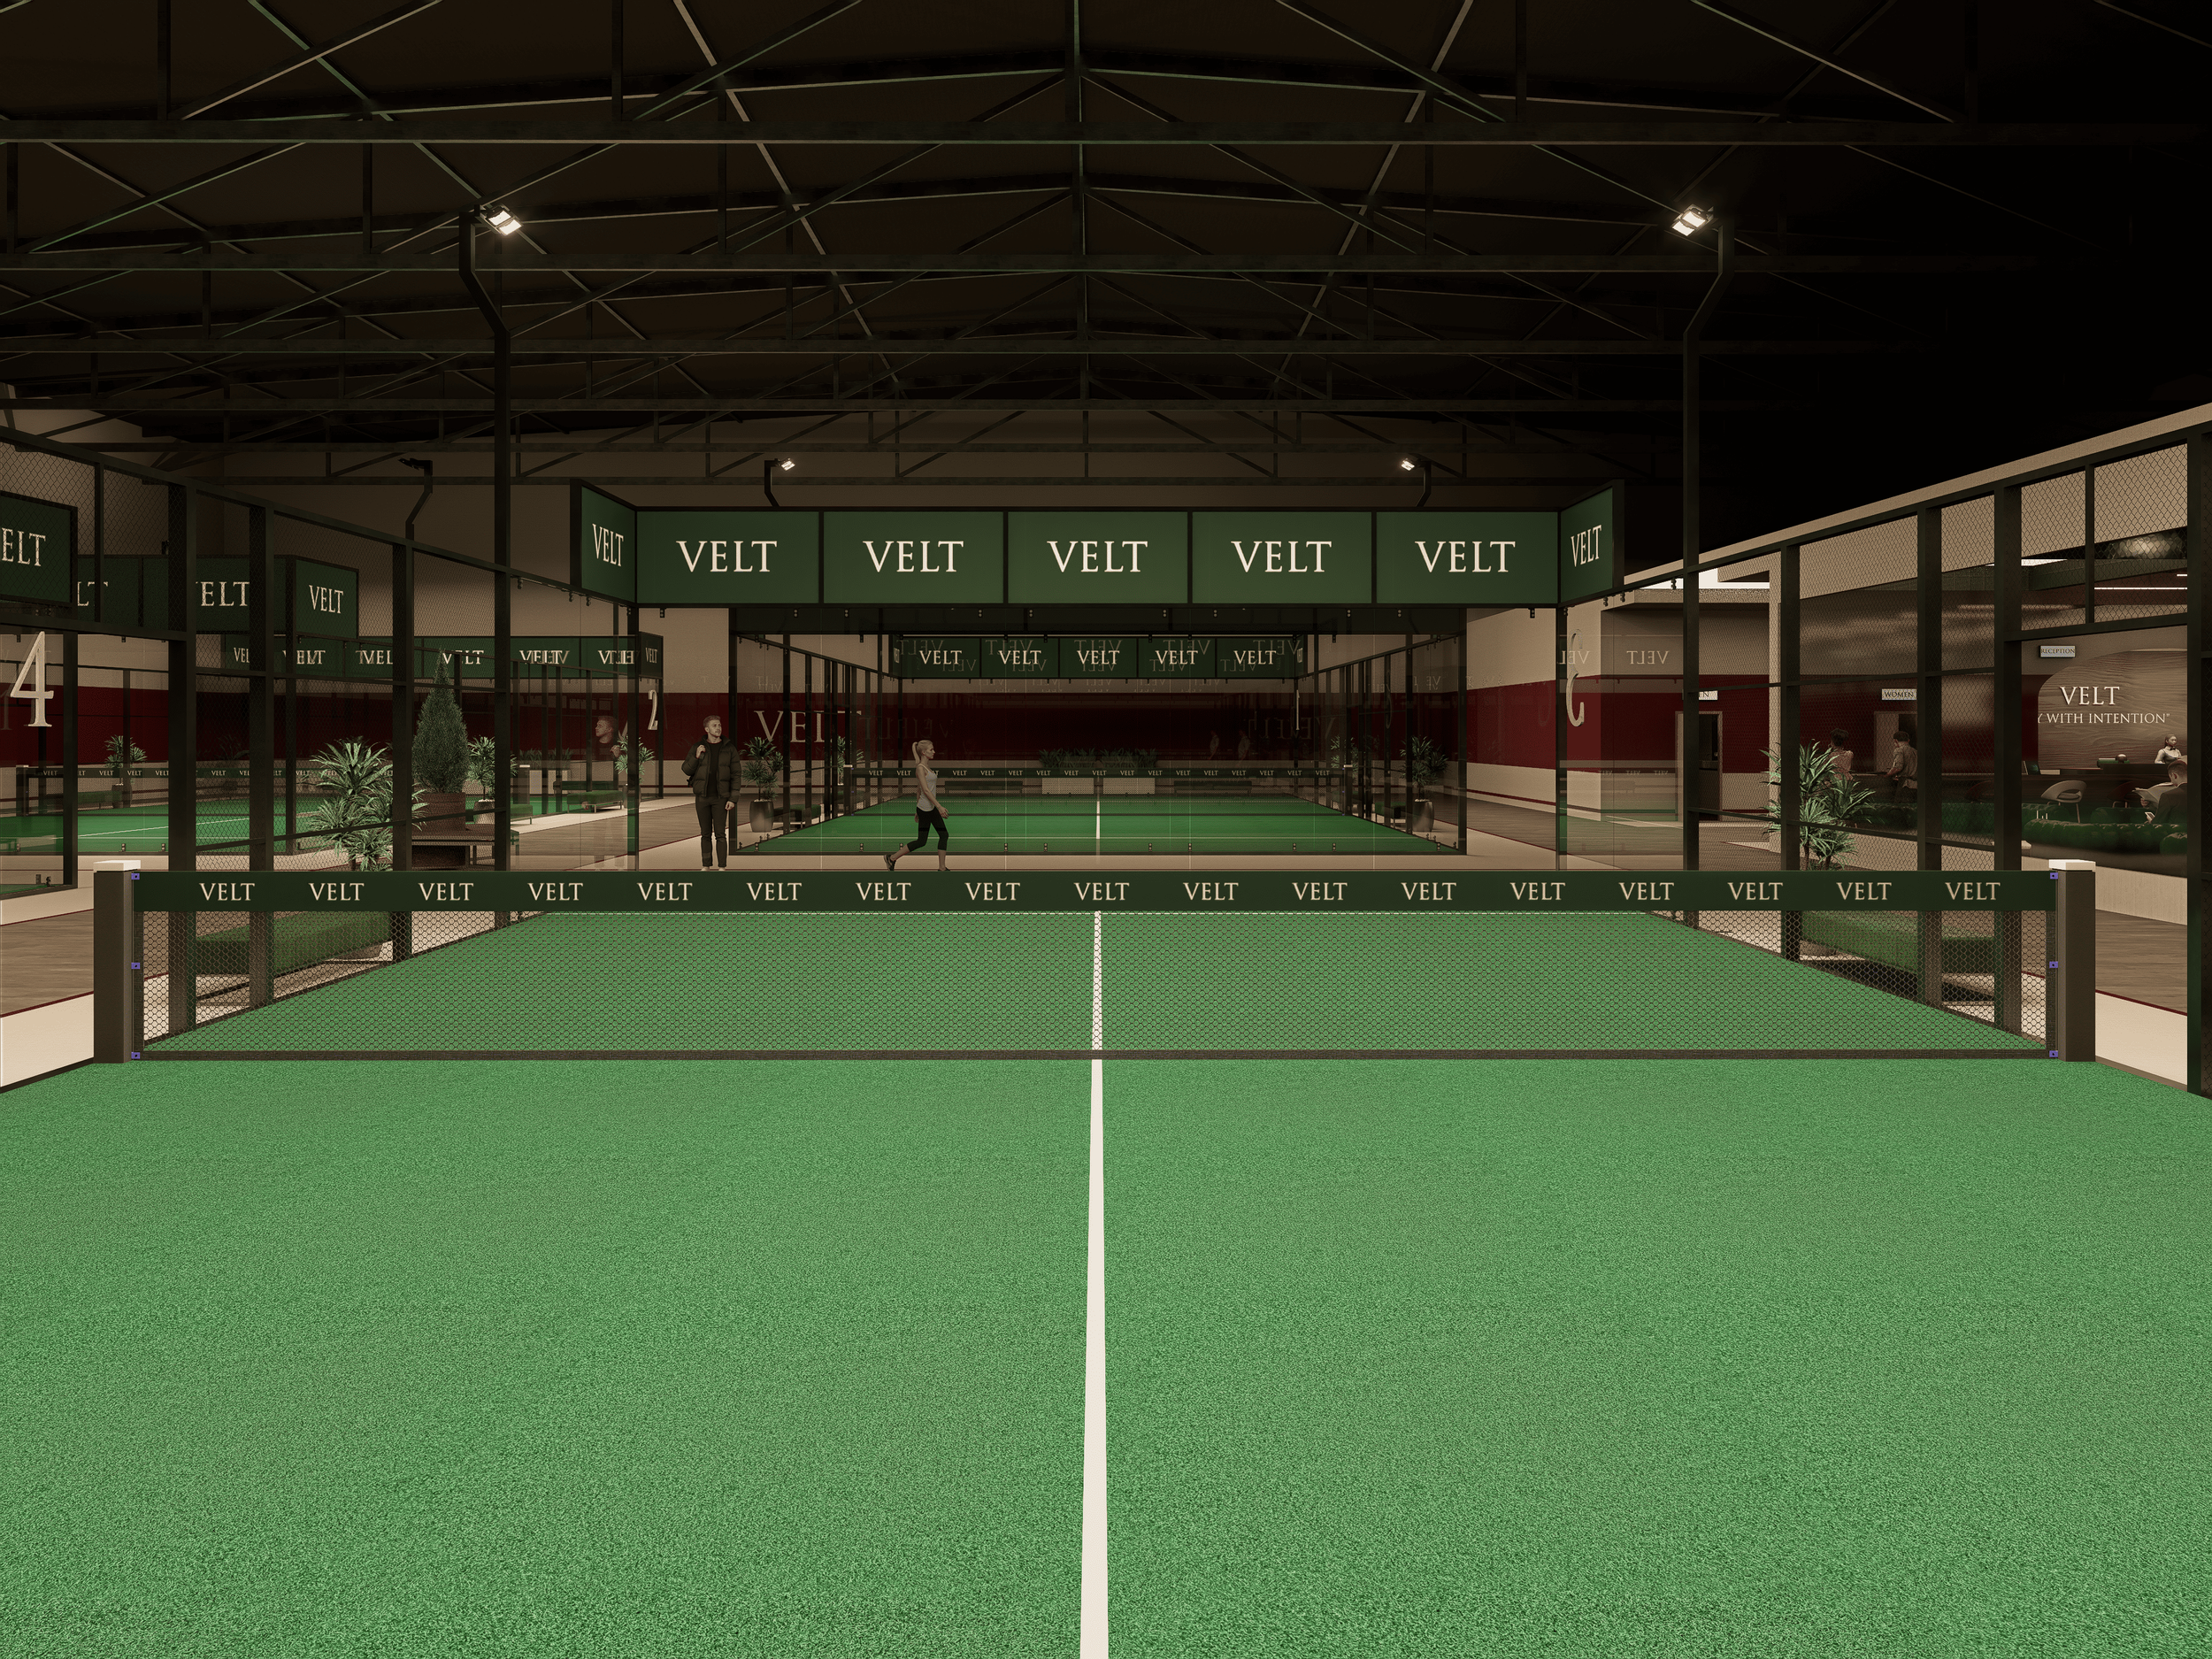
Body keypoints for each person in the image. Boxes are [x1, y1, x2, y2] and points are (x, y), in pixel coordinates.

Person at [884, 738, 949, 872]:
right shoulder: (920, 768)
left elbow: (918, 790)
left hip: (927, 809)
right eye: (931, 750)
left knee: (944, 835)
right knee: (921, 841)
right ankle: (891, 858)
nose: (934, 752)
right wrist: (939, 806)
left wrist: (917, 810)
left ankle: (942, 867)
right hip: (926, 810)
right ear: (924, 752)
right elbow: (925, 790)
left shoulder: (926, 767)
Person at [682, 717, 736, 869]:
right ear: (707, 729)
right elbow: (686, 769)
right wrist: (696, 757)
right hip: (702, 797)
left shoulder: (729, 748)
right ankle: (706, 866)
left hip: (721, 798)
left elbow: (736, 775)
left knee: (720, 834)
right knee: (705, 834)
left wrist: (733, 798)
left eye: (720, 725)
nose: (718, 728)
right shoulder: (697, 747)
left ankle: (722, 867)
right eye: (714, 726)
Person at [1886, 732, 1918, 800]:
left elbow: (1898, 767)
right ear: (1908, 740)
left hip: (1904, 784)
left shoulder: (1899, 750)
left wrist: (1887, 775)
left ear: (1896, 741)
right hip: (1915, 784)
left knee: (1899, 807)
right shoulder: (1915, 751)